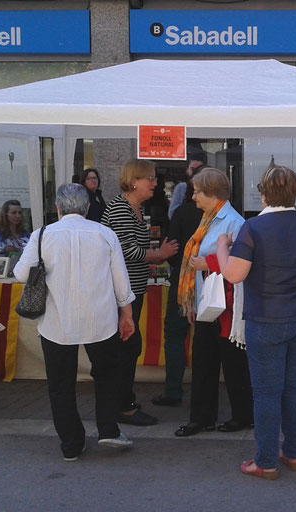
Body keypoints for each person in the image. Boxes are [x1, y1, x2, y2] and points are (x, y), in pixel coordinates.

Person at [216, 165, 296, 480]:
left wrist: (222, 247)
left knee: (267, 392)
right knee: (293, 387)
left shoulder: (253, 228)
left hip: (265, 320)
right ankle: (294, 454)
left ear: (263, 194)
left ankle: (266, 461)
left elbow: (234, 274)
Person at [15, 183, 137, 461]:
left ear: (58, 207)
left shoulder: (42, 234)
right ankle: (108, 429)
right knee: (106, 376)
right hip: (101, 319)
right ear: (87, 207)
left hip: (57, 320)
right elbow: (121, 282)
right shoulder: (105, 234)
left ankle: (71, 443)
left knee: (60, 383)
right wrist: (127, 315)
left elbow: (21, 274)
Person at [174, 168, 253, 437]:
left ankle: (242, 416)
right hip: (208, 303)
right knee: (204, 363)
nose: (193, 197)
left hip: (227, 307)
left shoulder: (233, 222)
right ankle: (202, 418)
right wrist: (194, 302)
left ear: (212, 193)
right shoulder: (207, 219)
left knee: (233, 364)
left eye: (197, 192)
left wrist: (205, 263)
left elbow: (239, 266)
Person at [101, 159, 179, 427]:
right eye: (151, 178)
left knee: (128, 347)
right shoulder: (122, 209)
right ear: (134, 180)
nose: (155, 184)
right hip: (122, 292)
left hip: (131, 289)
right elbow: (125, 250)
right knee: (126, 346)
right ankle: (123, 406)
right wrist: (159, 255)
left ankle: (122, 402)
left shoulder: (134, 207)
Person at [151, 176, 203, 407]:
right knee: (207, 339)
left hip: (183, 281)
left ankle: (173, 390)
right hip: (212, 282)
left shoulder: (183, 213)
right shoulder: (224, 214)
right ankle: (204, 390)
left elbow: (172, 248)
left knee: (174, 335)